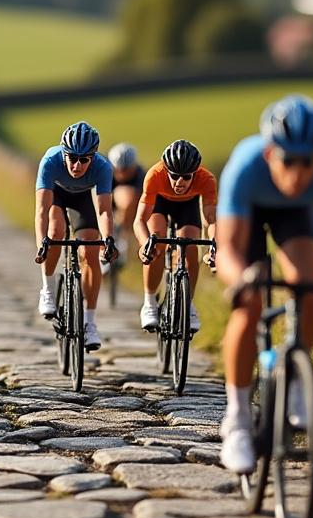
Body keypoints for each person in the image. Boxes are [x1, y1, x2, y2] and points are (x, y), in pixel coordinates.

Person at [215, 95, 313, 474]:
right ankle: (236, 420)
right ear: (271, 154)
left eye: (308, 161)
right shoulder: (245, 167)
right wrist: (243, 281)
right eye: (289, 161)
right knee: (250, 304)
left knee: (308, 284)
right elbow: (228, 251)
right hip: (248, 215)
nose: (299, 174)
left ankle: (294, 381)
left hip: (296, 216)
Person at [33, 121, 117, 351]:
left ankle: (89, 322)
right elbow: (41, 211)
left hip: (83, 199)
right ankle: (48, 290)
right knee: (55, 232)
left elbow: (103, 211)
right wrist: (42, 244)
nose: (77, 165)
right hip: (57, 195)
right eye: (72, 158)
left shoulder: (102, 167)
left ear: (93, 157)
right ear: (64, 154)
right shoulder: (50, 161)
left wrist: (108, 239)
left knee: (90, 250)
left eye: (84, 160)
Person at [134, 139, 218, 332]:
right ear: (166, 170)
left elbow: (211, 220)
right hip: (160, 204)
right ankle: (149, 302)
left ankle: (188, 305)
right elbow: (139, 220)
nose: (180, 182)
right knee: (156, 243)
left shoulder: (206, 179)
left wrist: (215, 246)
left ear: (195, 173)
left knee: (190, 248)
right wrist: (144, 244)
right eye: (174, 175)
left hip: (187, 207)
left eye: (187, 177)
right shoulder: (155, 175)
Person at [107, 142, 143, 262]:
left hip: (132, 212)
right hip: (111, 207)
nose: (122, 174)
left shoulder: (140, 175)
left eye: (126, 170)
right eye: (119, 170)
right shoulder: (107, 175)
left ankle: (124, 238)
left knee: (128, 196)